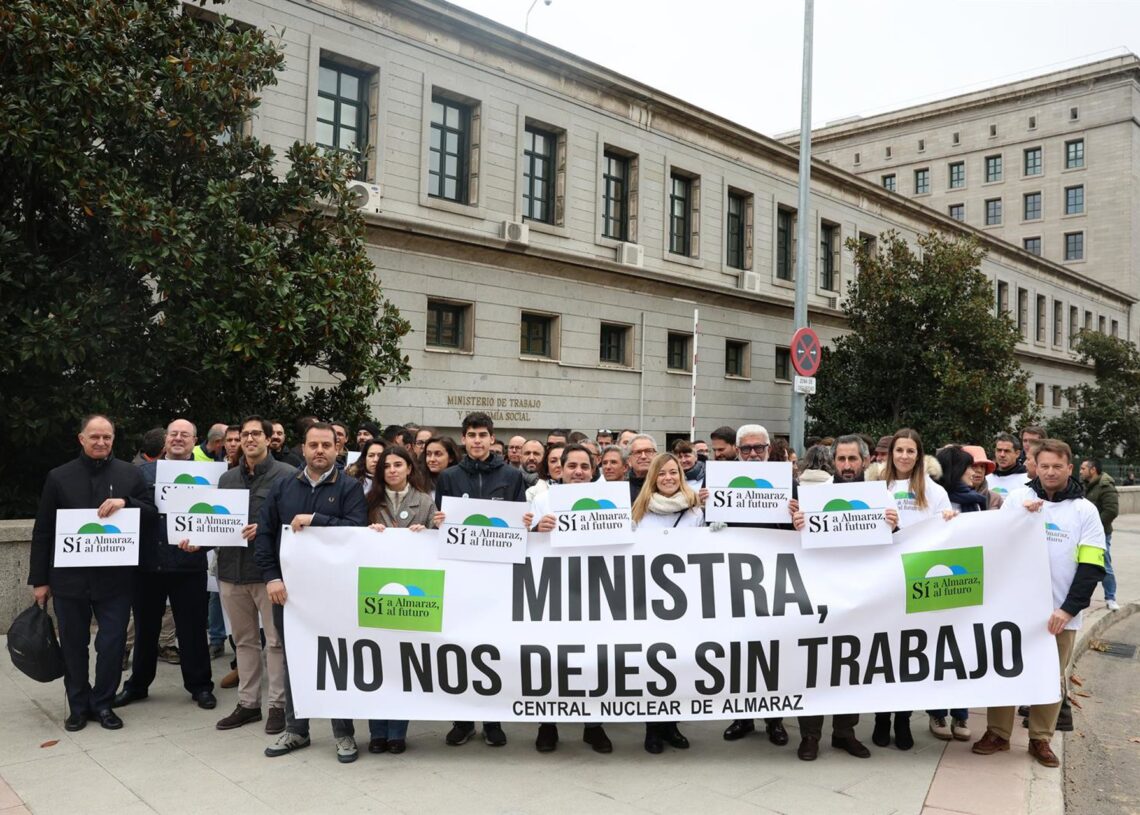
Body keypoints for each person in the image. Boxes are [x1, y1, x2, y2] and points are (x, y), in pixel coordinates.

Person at [973, 439, 1105, 769]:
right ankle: (998, 733)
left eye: (1057, 466)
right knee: (1005, 670)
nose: (1050, 472)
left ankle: (1040, 738)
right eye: (1044, 465)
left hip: (1060, 613)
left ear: (1069, 468)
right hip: (1014, 609)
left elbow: (1091, 566)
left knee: (1050, 677)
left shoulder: (1085, 511)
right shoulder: (1018, 499)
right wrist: (1019, 516)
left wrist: (1068, 609)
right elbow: (996, 544)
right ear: (1035, 466)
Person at [29, 415, 156, 731]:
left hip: (116, 580)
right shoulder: (59, 477)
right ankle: (78, 705)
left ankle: (103, 703)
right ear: (81, 439)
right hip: (69, 580)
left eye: (107, 437)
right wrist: (40, 580)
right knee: (73, 645)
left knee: (112, 644)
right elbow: (43, 530)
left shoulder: (130, 474)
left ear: (113, 439)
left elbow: (152, 513)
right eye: (95, 437)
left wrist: (126, 502)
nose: (101, 442)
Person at [255, 422, 368, 762]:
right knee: (295, 658)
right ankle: (296, 729)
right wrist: (271, 577)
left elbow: (357, 531)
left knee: (337, 659)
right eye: (313, 445)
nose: (320, 450)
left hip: (335, 594)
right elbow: (265, 534)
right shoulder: (283, 486)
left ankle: (343, 733)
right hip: (288, 593)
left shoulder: (349, 487)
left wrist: (316, 519)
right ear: (302, 448)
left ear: (338, 449)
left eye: (326, 445)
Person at [791, 435, 898, 761]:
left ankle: (844, 732)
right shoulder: (815, 496)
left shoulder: (880, 497)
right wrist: (797, 526)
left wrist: (894, 527)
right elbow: (798, 547)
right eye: (841, 459)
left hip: (860, 595)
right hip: (822, 594)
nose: (847, 466)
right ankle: (810, 735)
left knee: (851, 666)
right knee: (815, 666)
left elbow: (893, 547)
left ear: (865, 461)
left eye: (853, 459)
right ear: (833, 461)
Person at [434, 412, 527, 748]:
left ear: (491, 438)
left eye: (482, 435)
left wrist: (525, 522)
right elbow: (440, 523)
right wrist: (439, 521)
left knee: (494, 647)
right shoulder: (448, 477)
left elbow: (520, 522)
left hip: (498, 577)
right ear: (463, 439)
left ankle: (492, 720)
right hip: (460, 575)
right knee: (460, 646)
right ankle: (462, 721)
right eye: (471, 435)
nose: (477, 440)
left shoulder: (512, 476)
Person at [114, 418, 216, 712]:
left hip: (189, 566)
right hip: (148, 565)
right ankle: (138, 685)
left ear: (195, 440)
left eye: (185, 434)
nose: (178, 438)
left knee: (193, 631)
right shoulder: (141, 473)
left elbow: (216, 520)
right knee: (145, 630)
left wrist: (203, 544)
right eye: (174, 433)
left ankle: (200, 686)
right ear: (165, 439)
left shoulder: (209, 475)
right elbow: (129, 510)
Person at [524, 445, 614, 755]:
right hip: (552, 589)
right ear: (560, 470)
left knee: (594, 659)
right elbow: (526, 544)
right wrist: (538, 529)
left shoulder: (610, 499)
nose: (578, 472)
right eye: (572, 466)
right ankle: (547, 724)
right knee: (550, 659)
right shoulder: (543, 500)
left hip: (594, 589)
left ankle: (594, 725)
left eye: (584, 466)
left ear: (593, 470)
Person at [211, 417, 296, 734]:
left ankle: (278, 706)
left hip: (268, 574)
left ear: (269, 439)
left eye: (256, 434)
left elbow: (295, 523)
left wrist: (265, 529)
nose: (249, 439)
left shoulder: (287, 475)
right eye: (244, 434)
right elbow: (216, 523)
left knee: (275, 642)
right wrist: (196, 539)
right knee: (243, 641)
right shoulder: (227, 479)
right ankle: (248, 704)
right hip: (231, 571)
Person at [873, 430, 954, 749]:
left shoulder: (935, 491)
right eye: (899, 450)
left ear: (919, 455)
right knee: (883, 653)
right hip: (882, 579)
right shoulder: (876, 487)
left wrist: (950, 519)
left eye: (910, 451)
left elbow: (945, 535)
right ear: (890, 454)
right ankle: (881, 718)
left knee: (909, 655)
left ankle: (903, 719)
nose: (904, 456)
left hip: (918, 579)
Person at [718, 423, 792, 749]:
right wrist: (707, 512)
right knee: (738, 652)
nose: (752, 454)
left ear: (768, 449)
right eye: (746, 448)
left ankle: (774, 719)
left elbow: (799, 529)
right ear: (737, 451)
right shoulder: (719, 481)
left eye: (758, 448)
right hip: (733, 580)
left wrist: (796, 516)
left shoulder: (786, 482)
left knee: (772, 652)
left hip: (774, 580)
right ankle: (743, 716)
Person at [365, 445, 438, 755]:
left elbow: (439, 543)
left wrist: (429, 531)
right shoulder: (369, 501)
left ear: (409, 468)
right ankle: (376, 732)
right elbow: (351, 537)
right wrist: (367, 532)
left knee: (403, 665)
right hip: (377, 590)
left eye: (398, 464)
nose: (392, 470)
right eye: (386, 466)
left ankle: (397, 732)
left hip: (412, 593)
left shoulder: (426, 502)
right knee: (376, 664)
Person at [631, 452, 702, 754]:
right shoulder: (638, 513)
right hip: (648, 601)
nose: (668, 478)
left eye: (673, 472)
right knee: (653, 663)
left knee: (679, 662)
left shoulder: (696, 512)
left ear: (681, 475)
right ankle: (652, 728)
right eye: (662, 473)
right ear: (653, 478)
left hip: (687, 602)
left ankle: (672, 725)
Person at [1080, 458, 1119, 611]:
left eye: (1083, 468)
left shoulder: (1105, 486)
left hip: (1101, 533)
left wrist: (1094, 526)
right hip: (1083, 532)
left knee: (1104, 566)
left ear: (1093, 470)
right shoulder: (1085, 485)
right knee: (1081, 566)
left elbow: (1111, 511)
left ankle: (1110, 598)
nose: (1080, 471)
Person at [962, 445, 1003, 509]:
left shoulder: (995, 498)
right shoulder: (949, 496)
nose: (979, 470)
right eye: (974, 466)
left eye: (982, 466)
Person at [625, 434, 658, 501]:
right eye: (638, 452)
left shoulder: (665, 484)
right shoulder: (621, 489)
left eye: (648, 451)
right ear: (629, 460)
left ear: (656, 456)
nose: (643, 456)